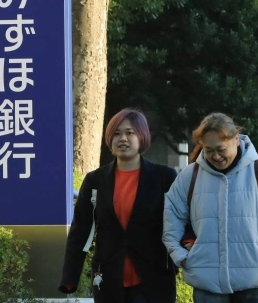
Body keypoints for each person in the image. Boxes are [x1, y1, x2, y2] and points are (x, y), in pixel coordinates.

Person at [162, 113, 258, 303]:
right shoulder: (189, 177)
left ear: (236, 140)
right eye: (208, 150)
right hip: (207, 279)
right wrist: (182, 257)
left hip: (254, 277)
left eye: (221, 149)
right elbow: (171, 218)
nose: (216, 156)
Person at [59, 108, 178, 303]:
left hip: (153, 279)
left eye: (129, 133)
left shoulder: (164, 177)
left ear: (142, 137)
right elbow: (81, 229)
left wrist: (179, 263)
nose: (123, 138)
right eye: (116, 133)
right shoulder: (95, 180)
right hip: (109, 279)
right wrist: (70, 277)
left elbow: (180, 222)